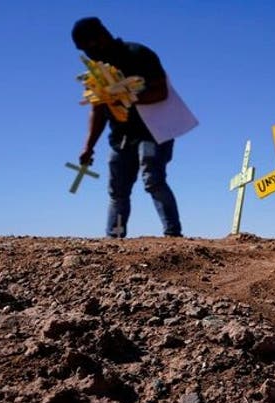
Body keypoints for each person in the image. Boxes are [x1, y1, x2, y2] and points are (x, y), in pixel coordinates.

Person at [72, 17, 183, 238]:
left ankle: (173, 236)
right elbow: (98, 110)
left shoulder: (138, 54)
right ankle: (114, 239)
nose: (89, 54)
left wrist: (126, 97)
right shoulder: (96, 72)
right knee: (118, 190)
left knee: (153, 179)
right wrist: (88, 146)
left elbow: (161, 92)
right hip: (121, 137)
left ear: (101, 37)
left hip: (153, 131)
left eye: (89, 47)